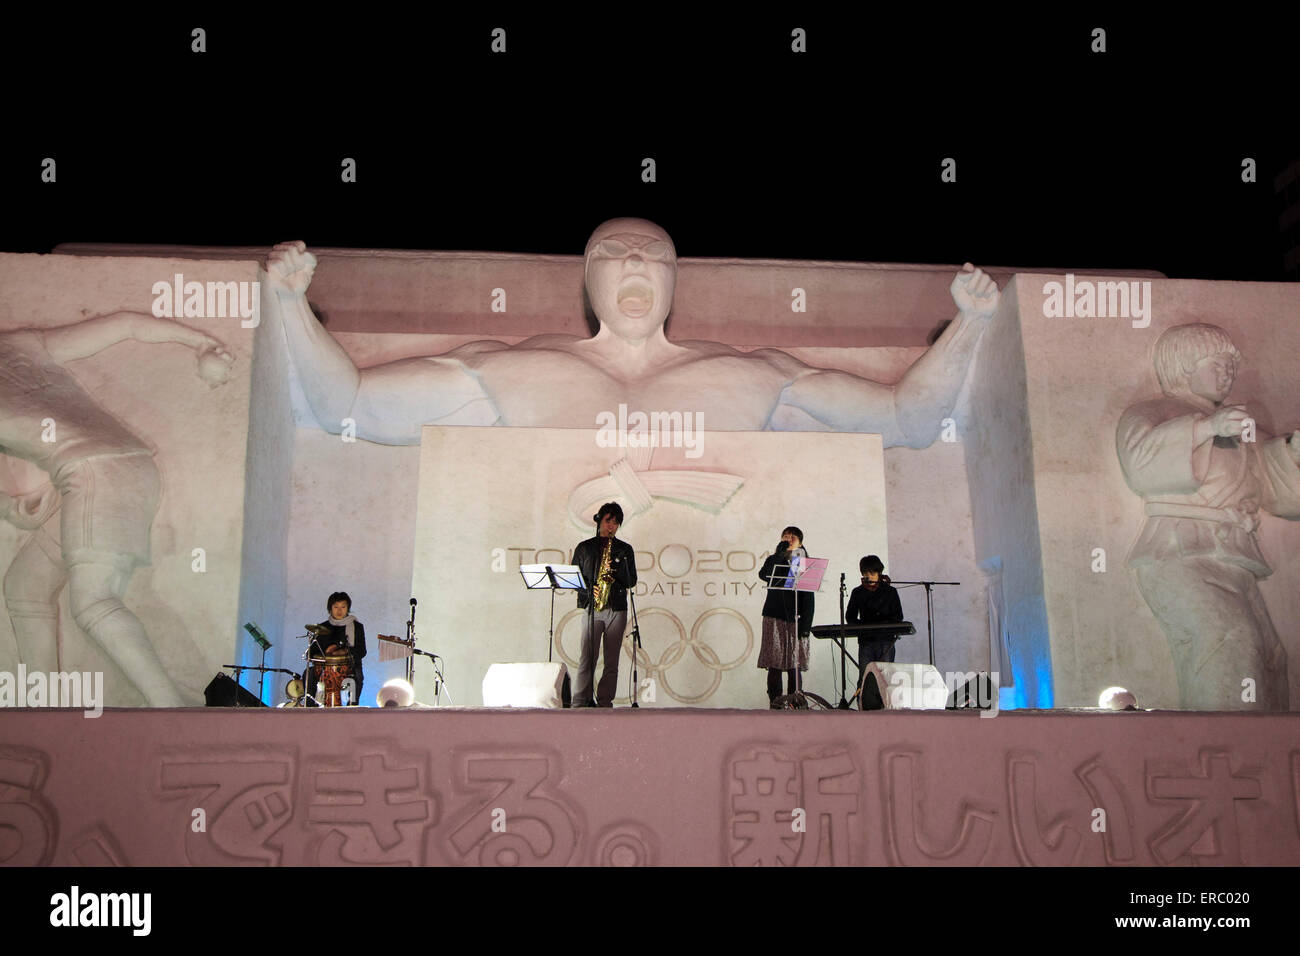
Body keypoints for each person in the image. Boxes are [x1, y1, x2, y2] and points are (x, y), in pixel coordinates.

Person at [265, 221, 1000, 447]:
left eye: (653, 255)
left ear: (676, 280)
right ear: (589, 281)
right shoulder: (508, 367)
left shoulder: (758, 373)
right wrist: (292, 304)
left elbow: (908, 419)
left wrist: (970, 324)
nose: (636, 262)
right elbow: (348, 406)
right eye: (614, 254)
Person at [0, 312, 233, 706]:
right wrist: (198, 341)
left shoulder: (20, 343)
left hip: (92, 473)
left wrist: (12, 505)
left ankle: (171, 709)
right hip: (122, 465)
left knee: (93, 600)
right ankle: (41, 707)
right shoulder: (20, 344)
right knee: (26, 586)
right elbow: (127, 324)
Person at [1116, 323, 1300, 710]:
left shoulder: (1241, 424)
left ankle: (1263, 759)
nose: (1227, 373)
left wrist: (1291, 453)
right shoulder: (1151, 412)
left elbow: (1270, 480)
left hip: (1237, 557)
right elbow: (1141, 464)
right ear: (1183, 367)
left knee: (1269, 657)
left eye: (1231, 365)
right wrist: (1204, 428)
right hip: (1177, 552)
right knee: (1229, 640)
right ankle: (1223, 751)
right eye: (1216, 363)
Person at [571, 502, 637, 707]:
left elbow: (631, 581)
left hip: (617, 609)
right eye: (609, 521)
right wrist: (590, 590)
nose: (612, 527)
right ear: (600, 520)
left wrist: (615, 567)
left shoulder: (624, 549)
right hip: (592, 608)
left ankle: (605, 701)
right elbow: (575, 579)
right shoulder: (584, 548)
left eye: (616, 523)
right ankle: (581, 700)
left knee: (611, 662)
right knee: (587, 657)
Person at [757, 527, 814, 707]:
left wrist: (806, 626)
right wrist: (779, 555)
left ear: (800, 542)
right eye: (785, 536)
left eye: (793, 537)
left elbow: (808, 598)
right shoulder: (774, 559)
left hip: (795, 619)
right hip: (774, 616)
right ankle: (775, 701)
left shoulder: (805, 563)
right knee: (774, 662)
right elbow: (763, 575)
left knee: (793, 663)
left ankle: (794, 700)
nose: (788, 539)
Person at [846, 554, 904, 693]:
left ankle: (885, 707)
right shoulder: (857, 592)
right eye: (865, 573)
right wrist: (862, 626)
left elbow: (898, 616)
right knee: (865, 676)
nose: (869, 576)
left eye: (872, 573)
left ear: (879, 573)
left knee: (886, 677)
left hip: (886, 640)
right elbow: (850, 616)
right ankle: (865, 705)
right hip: (866, 641)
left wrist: (884, 624)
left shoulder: (890, 591)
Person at [308, 591, 368, 706]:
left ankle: (352, 706)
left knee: (358, 676)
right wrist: (325, 652)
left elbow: (362, 650)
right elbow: (312, 652)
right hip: (325, 668)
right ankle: (311, 706)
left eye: (343, 607)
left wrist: (344, 650)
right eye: (336, 607)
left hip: (350, 666)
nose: (339, 610)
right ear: (330, 608)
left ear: (348, 608)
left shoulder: (357, 627)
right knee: (309, 674)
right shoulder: (322, 627)